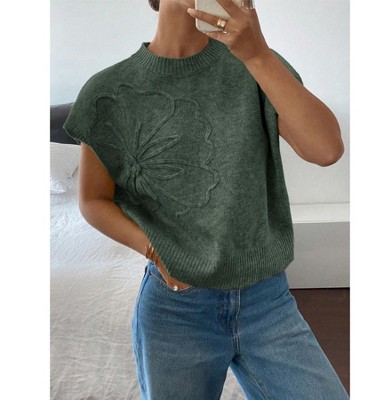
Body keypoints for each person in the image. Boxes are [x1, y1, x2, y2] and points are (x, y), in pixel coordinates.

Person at [63, 0, 349, 398]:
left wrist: (258, 55)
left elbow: (326, 149)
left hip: (267, 301)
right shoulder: (108, 91)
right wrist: (154, 251)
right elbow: (94, 200)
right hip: (175, 310)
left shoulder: (255, 64)